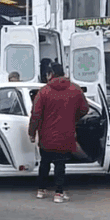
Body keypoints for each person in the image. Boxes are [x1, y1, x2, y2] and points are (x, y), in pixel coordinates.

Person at [28, 63, 89, 203]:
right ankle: (58, 193)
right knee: (60, 165)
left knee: (45, 163)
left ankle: (41, 190)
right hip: (66, 134)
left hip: (46, 135)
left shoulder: (44, 91)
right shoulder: (75, 89)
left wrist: (32, 132)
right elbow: (85, 109)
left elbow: (35, 114)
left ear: (51, 74)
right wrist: (74, 117)